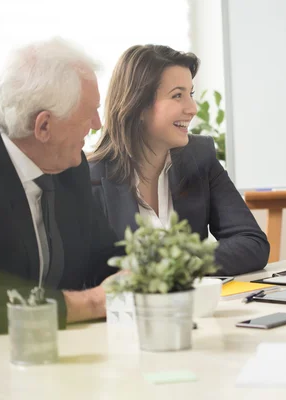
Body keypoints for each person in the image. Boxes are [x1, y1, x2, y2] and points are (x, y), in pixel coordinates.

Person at [0, 38, 120, 335]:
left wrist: (143, 273)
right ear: (43, 126)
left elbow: (106, 256)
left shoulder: (69, 165)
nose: (97, 123)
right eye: (89, 112)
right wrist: (92, 303)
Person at [88, 45, 269, 275]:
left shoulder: (200, 157)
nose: (192, 109)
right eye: (177, 96)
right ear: (138, 105)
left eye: (190, 94)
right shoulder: (90, 178)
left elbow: (252, 243)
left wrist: (177, 264)